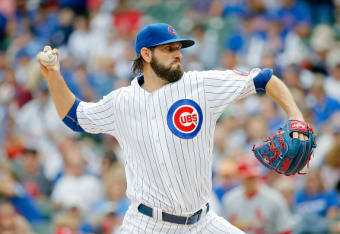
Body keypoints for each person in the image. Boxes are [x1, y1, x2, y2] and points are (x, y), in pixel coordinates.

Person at [37, 23, 308, 233]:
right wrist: (53, 76)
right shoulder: (122, 102)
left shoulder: (201, 85)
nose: (178, 54)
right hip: (146, 225)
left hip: (202, 223)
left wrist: (296, 117)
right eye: (168, 49)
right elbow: (74, 116)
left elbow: (264, 79)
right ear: (146, 54)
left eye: (178, 48)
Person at [222, 157, 293, 234]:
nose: (251, 181)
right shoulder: (230, 199)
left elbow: (285, 230)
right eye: (248, 178)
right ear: (240, 177)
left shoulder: (274, 198)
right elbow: (222, 229)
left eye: (254, 177)